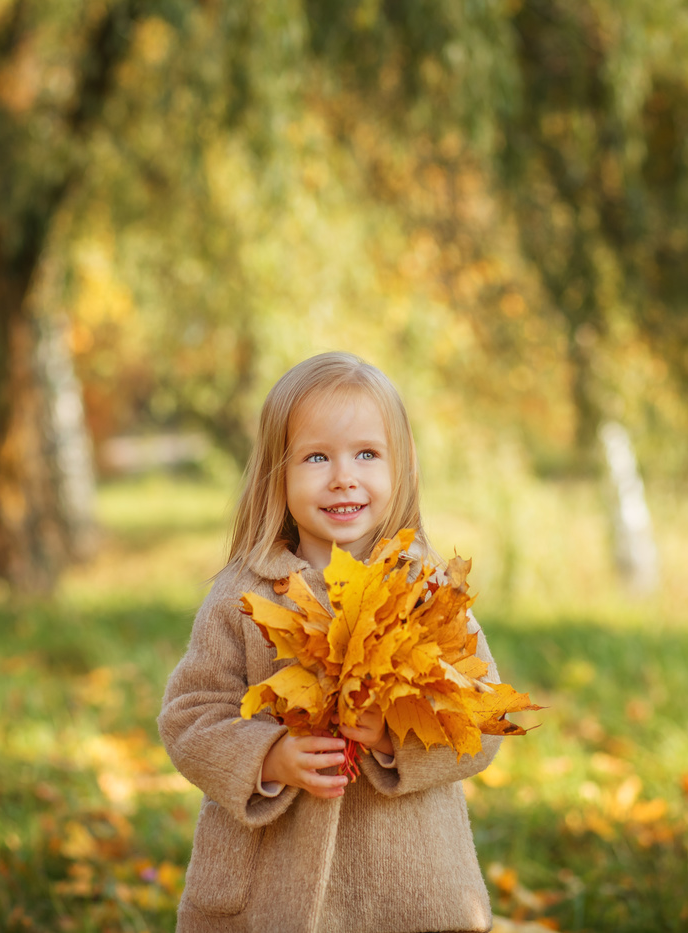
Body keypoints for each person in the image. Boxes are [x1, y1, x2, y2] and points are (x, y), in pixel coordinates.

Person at [158, 351, 502, 933]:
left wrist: (398, 737)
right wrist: (268, 756)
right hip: (271, 896)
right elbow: (190, 716)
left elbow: (483, 720)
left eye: (366, 454)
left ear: (401, 467)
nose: (344, 476)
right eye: (317, 457)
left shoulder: (427, 592)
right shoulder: (243, 595)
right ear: (277, 473)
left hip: (410, 893)